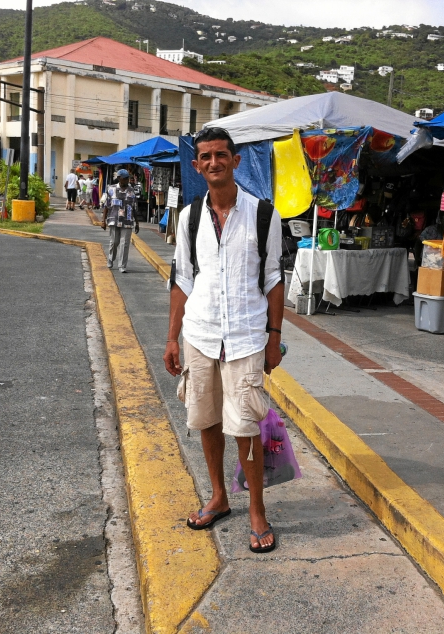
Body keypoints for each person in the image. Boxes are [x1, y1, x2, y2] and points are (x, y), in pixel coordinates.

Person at [163, 127, 284, 554]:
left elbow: (273, 279)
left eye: (221, 155)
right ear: (197, 166)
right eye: (205, 157)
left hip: (247, 337)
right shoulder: (188, 218)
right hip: (199, 333)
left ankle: (256, 510)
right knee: (208, 419)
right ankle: (218, 496)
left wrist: (274, 338)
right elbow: (181, 279)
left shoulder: (263, 214)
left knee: (246, 426)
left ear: (234, 160)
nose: (213, 162)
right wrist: (172, 338)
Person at [101, 168, 139, 273]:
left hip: (127, 220)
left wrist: (137, 223)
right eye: (124, 178)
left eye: (127, 178)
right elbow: (106, 206)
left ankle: (122, 265)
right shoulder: (111, 189)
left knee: (124, 243)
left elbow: (134, 207)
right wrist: (103, 221)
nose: (127, 180)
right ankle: (110, 259)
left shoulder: (132, 191)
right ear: (119, 178)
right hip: (114, 219)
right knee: (114, 242)